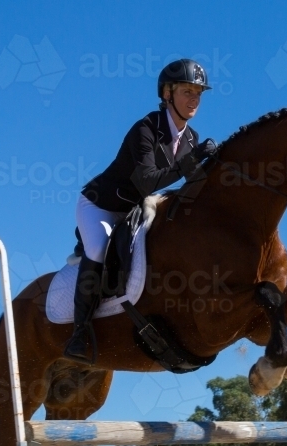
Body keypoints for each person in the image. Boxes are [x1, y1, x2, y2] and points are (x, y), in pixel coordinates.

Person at [64, 58, 218, 362]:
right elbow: (147, 181)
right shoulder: (146, 128)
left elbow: (192, 185)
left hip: (134, 210)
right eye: (187, 91)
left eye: (198, 93)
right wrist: (193, 160)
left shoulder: (191, 138)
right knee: (98, 248)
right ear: (167, 94)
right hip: (101, 205)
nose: (194, 99)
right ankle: (79, 334)